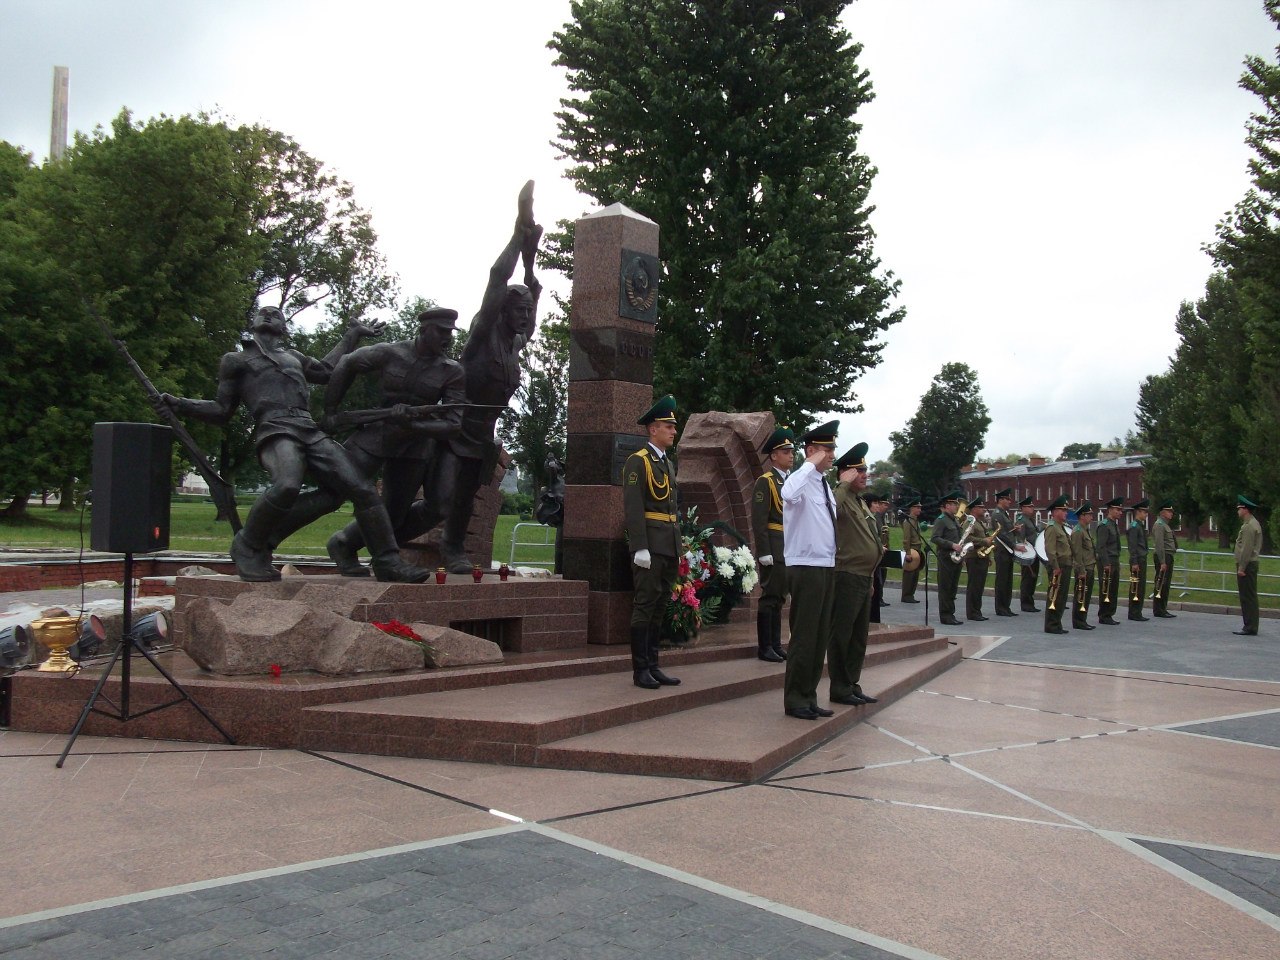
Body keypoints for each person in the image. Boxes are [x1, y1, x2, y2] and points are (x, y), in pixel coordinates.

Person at [160, 306, 427, 584]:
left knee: (362, 489)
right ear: (252, 323)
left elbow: (326, 371)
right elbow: (221, 409)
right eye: (263, 312)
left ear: (284, 327)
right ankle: (248, 544)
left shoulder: (294, 357)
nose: (268, 315)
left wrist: (352, 334)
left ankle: (387, 561)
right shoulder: (236, 360)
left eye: (276, 314)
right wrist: (180, 404)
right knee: (287, 485)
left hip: (309, 429)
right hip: (275, 429)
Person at [266, 308, 468, 575]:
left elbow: (453, 425)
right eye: (441, 331)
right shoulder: (390, 352)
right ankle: (261, 541)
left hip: (414, 446)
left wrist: (413, 424)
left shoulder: (452, 371)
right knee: (332, 493)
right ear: (423, 329)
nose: (447, 338)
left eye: (449, 333)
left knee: (393, 515)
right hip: (374, 435)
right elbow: (346, 364)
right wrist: (331, 410)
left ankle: (344, 544)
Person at [410, 183, 542, 572]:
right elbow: (497, 276)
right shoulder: (482, 334)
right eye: (519, 310)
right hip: (455, 429)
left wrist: (531, 265)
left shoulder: (516, 344)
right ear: (503, 310)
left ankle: (453, 549)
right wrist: (518, 237)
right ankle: (385, 533)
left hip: (483, 434)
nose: (525, 316)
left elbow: (531, 296)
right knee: (440, 501)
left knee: (465, 499)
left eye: (528, 311)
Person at [623, 395, 682, 690]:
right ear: (653, 429)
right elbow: (633, 507)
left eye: (673, 426)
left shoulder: (667, 463)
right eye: (668, 426)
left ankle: (654, 665)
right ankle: (641, 669)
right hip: (651, 545)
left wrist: (678, 546)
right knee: (645, 604)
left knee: (660, 606)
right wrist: (640, 546)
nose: (673, 431)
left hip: (668, 544)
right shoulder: (639, 461)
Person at [780, 421, 839, 720]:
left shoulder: (824, 484)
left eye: (833, 449)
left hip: (825, 565)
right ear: (812, 450)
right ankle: (795, 699)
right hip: (805, 566)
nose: (832, 455)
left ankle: (809, 695)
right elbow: (788, 494)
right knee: (804, 636)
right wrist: (808, 464)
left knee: (819, 637)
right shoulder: (799, 479)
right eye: (827, 449)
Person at [828, 442, 882, 707]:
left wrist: (871, 576)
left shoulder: (860, 501)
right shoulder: (839, 496)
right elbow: (828, 511)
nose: (864, 474)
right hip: (846, 575)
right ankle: (839, 687)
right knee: (842, 635)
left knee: (859, 637)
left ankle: (851, 683)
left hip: (863, 576)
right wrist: (842, 484)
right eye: (858, 470)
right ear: (845, 472)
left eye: (865, 469)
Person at [751, 425, 795, 663]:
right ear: (774, 456)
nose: (791, 456)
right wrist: (764, 551)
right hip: (774, 547)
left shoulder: (791, 482)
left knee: (779, 598)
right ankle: (765, 646)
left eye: (792, 451)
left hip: (789, 547)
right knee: (770, 597)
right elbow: (759, 520)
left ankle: (776, 644)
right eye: (785, 452)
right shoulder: (766, 482)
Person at [931, 491, 966, 626]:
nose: (956, 506)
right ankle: (945, 615)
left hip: (956, 558)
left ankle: (951, 613)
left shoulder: (954, 520)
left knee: (952, 588)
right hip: (946, 558)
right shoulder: (941, 520)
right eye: (953, 504)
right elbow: (935, 538)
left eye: (956, 504)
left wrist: (962, 555)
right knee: (945, 588)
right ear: (946, 506)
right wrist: (951, 545)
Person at [1043, 494, 1073, 634]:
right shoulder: (1052, 528)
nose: (1066, 513)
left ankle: (1057, 623)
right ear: (1055, 512)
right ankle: (1051, 624)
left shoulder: (1061, 527)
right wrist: (1055, 567)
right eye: (1063, 510)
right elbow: (1050, 550)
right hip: (1058, 566)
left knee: (1062, 597)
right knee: (1055, 596)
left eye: (1066, 510)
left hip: (1065, 565)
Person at [1234, 494, 1263, 636]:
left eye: (1239, 508)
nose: (1238, 511)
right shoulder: (1253, 523)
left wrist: (1241, 567)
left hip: (1247, 564)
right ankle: (1251, 625)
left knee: (1247, 597)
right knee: (1250, 595)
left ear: (1245, 509)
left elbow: (1246, 549)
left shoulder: (1249, 526)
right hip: (1250, 564)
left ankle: (1250, 626)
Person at [988, 488, 1018, 616]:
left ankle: (1006, 606)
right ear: (1001, 500)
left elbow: (1007, 531)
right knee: (1002, 580)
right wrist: (1014, 545)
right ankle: (1001, 608)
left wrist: (1015, 529)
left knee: (1008, 580)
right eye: (1007, 499)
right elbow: (1001, 534)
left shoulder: (1004, 514)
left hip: (1007, 550)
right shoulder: (997, 514)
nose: (1010, 502)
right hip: (1002, 550)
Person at [1095, 496, 1124, 625]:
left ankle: (1110, 613)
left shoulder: (1114, 525)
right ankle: (1104, 614)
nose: (1120, 512)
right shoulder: (1104, 525)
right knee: (1106, 588)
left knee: (1113, 588)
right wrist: (1106, 563)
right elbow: (1101, 546)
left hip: (1114, 559)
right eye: (1117, 510)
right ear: (1110, 510)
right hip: (1107, 561)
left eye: (1120, 510)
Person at [1069, 502, 1097, 630]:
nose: (1091, 517)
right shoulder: (1078, 531)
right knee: (1081, 596)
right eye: (1089, 514)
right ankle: (1078, 621)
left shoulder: (1085, 529)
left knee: (1086, 596)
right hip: (1083, 568)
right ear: (1082, 516)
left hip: (1089, 566)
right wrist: (1081, 570)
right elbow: (1077, 553)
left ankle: (1082, 619)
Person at [964, 497, 991, 622]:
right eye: (981, 507)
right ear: (974, 509)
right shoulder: (970, 522)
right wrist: (983, 541)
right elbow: (967, 538)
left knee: (979, 586)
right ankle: (972, 612)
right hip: (974, 557)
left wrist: (987, 555)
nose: (983, 509)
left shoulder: (978, 522)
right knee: (974, 586)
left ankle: (977, 611)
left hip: (981, 557)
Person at [1151, 501, 1178, 618]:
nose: (1171, 513)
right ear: (1162, 512)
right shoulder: (1159, 525)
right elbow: (1159, 544)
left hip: (1168, 555)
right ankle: (1158, 609)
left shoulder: (1165, 524)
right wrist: (1162, 561)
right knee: (1161, 582)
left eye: (1171, 511)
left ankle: (1163, 608)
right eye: (1169, 511)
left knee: (1165, 584)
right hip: (1163, 556)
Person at [867, 493, 891, 622]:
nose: (877, 506)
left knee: (879, 582)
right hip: (871, 558)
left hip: (878, 555)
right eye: (875, 503)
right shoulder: (869, 519)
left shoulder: (877, 518)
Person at [1018, 495, 1043, 612]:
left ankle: (1030, 602)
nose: (1032, 508)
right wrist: (1024, 556)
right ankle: (1026, 603)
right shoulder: (1021, 520)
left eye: (1032, 506)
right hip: (1028, 553)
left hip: (1034, 552)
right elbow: (1020, 539)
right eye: (1029, 506)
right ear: (1023, 508)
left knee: (1032, 578)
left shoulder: (1030, 520)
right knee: (1027, 578)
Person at [1127, 498, 1151, 621]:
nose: (1146, 514)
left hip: (1142, 559)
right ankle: (1134, 612)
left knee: (1140, 587)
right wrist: (1134, 562)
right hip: (1137, 560)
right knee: (1135, 586)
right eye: (1144, 512)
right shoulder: (1134, 526)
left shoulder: (1140, 526)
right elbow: (1133, 546)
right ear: (1138, 512)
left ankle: (1138, 611)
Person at [899, 499, 923, 603]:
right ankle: (906, 595)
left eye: (920, 508)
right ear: (912, 508)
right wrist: (907, 553)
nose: (919, 510)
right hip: (911, 550)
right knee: (909, 574)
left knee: (915, 575)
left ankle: (911, 595)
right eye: (917, 507)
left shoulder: (915, 521)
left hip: (917, 550)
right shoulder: (908, 522)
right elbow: (906, 539)